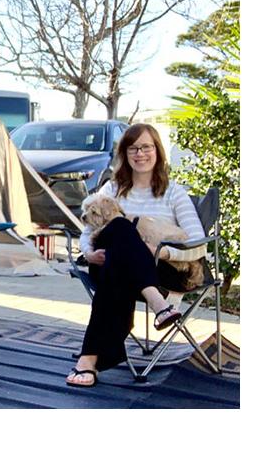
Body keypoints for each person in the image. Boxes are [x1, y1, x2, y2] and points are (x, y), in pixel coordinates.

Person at [66, 123, 206, 388]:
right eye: (133, 148)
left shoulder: (174, 192)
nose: (140, 153)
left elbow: (199, 245)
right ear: (125, 154)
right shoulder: (111, 189)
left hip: (163, 270)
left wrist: (161, 252)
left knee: (119, 234)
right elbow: (87, 231)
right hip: (107, 263)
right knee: (120, 229)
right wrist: (89, 253)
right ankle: (159, 305)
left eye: (146, 147)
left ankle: (88, 359)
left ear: (158, 152)